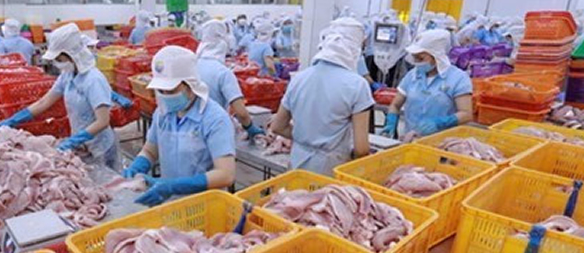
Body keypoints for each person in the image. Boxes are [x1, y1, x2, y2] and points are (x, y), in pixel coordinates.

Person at [121, 46, 236, 206]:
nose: (165, 96)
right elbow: (150, 150)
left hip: (204, 205)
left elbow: (225, 174)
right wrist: (138, 166)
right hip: (170, 203)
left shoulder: (215, 118)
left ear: (190, 85)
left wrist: (173, 186)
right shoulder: (162, 113)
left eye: (171, 90)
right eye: (161, 90)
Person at [0, 24, 119, 169]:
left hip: (101, 147)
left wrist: (74, 140)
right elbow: (44, 102)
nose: (57, 63)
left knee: (106, 179)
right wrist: (14, 120)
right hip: (82, 144)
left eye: (59, 59)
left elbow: (103, 121)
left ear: (71, 55)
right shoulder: (67, 75)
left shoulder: (93, 80)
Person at [270, 18, 373, 175]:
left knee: (297, 191)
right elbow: (361, 148)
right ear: (355, 49)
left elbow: (278, 126)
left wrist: (305, 139)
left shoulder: (299, 78)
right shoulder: (357, 85)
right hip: (331, 166)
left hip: (297, 162)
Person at [383, 29, 473, 138]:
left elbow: (466, 114)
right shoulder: (412, 75)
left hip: (442, 141)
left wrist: (441, 122)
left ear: (436, 56)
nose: (417, 62)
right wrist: (391, 121)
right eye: (415, 58)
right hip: (411, 138)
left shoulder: (458, 78)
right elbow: (395, 105)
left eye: (421, 58)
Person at [195, 20, 264, 139]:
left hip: (190, 130)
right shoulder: (223, 73)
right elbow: (241, 112)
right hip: (214, 130)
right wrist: (250, 127)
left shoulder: (191, 66)